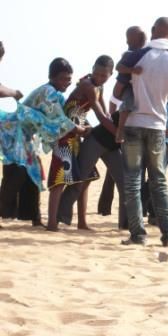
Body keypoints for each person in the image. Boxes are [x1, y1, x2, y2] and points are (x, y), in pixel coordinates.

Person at [120, 17, 168, 247]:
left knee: (132, 181)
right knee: (158, 181)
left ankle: (138, 235)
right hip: (158, 128)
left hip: (132, 125)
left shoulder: (137, 54)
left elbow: (119, 86)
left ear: (152, 32)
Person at [0, 58, 81, 228]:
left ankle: (34, 217)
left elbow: (61, 116)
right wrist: (78, 129)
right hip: (15, 134)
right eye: (63, 78)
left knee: (33, 173)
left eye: (69, 79)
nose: (67, 82)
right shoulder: (48, 92)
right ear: (52, 77)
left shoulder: (54, 93)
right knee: (18, 173)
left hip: (25, 137)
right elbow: (58, 118)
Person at [46, 55, 115, 232]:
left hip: (77, 134)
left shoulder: (99, 87)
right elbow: (100, 116)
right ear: (92, 68)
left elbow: (105, 113)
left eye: (103, 75)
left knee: (85, 178)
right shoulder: (88, 85)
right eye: (97, 73)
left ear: (110, 74)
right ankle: (52, 224)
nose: (99, 77)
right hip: (65, 135)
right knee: (60, 180)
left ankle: (82, 222)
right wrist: (117, 133)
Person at [96, 26, 147, 215]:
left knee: (117, 169)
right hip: (125, 101)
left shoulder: (143, 53)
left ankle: (107, 208)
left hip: (126, 103)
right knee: (120, 169)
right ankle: (109, 208)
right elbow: (118, 79)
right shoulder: (130, 54)